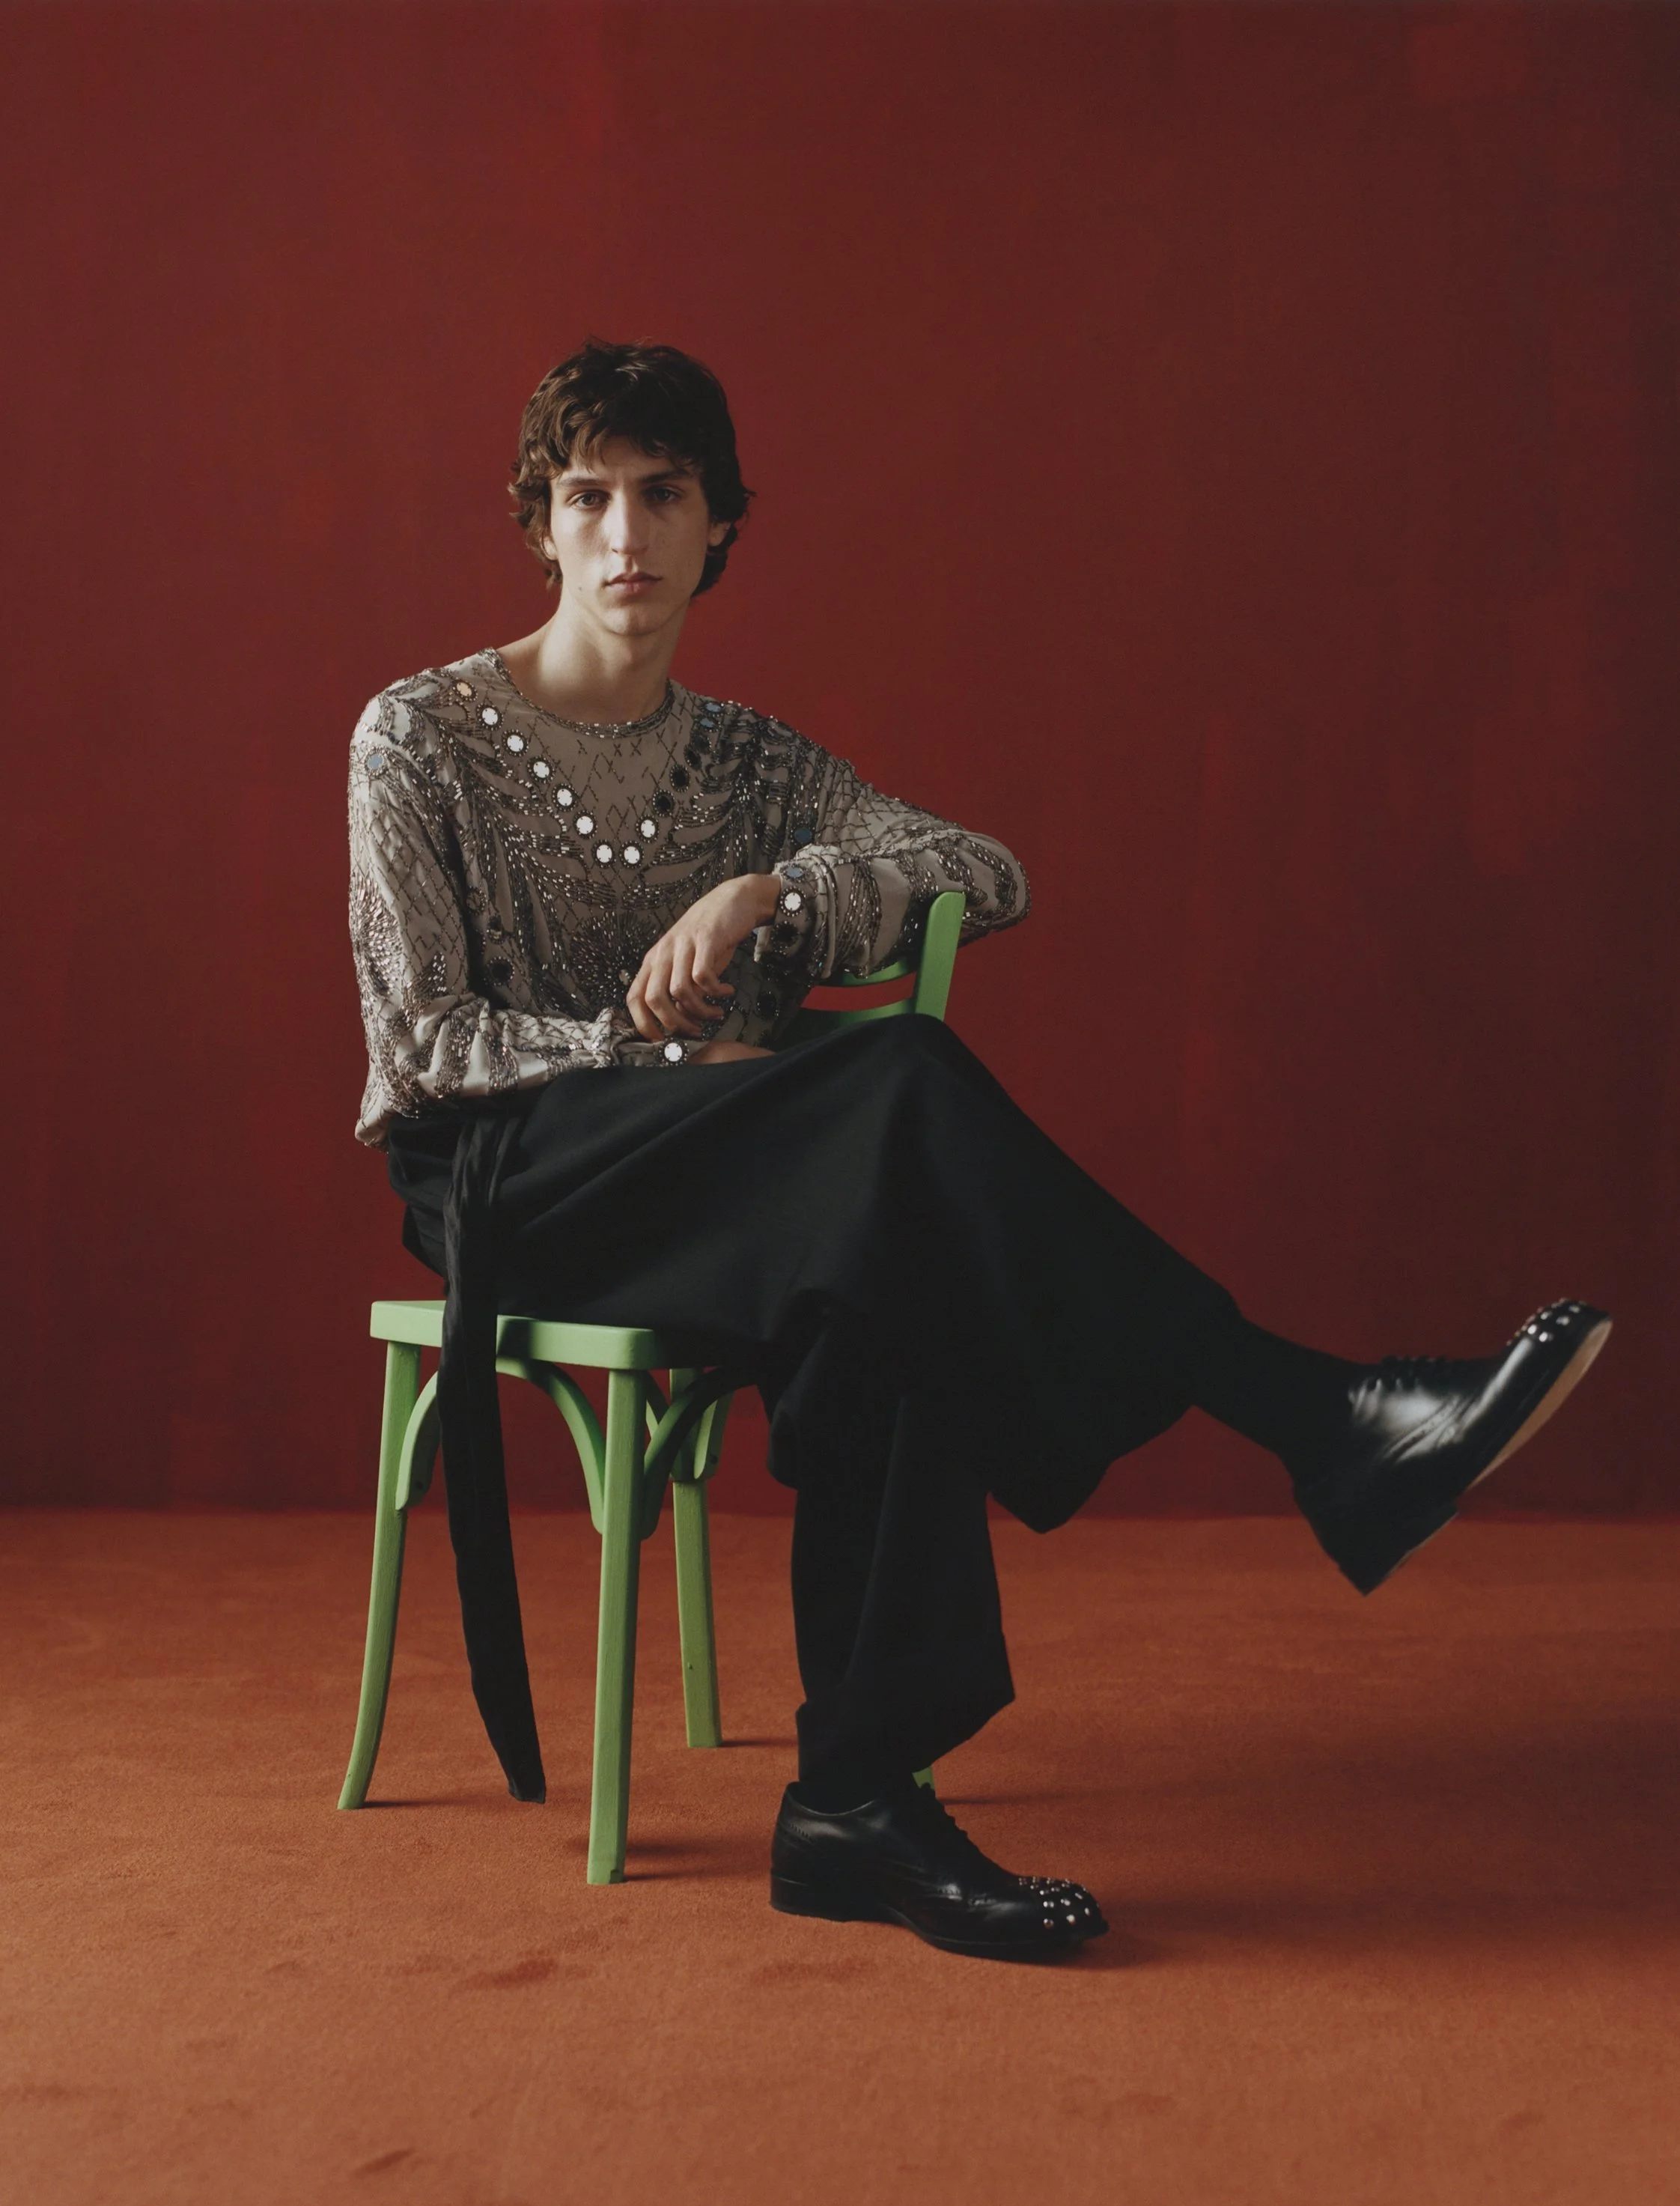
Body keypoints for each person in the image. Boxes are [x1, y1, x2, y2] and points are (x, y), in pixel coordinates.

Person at [347, 338, 1611, 1963]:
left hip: (752, 1188)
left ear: (722, 525)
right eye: (589, 497)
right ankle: (1314, 1416)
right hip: (518, 1177)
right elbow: (424, 1047)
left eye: (664, 495)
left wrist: (777, 891)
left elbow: (984, 869)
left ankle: (853, 1802)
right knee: (893, 1090)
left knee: (885, 1253)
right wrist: (661, 1058)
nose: (626, 536)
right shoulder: (420, 734)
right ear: (539, 520)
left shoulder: (755, 767)